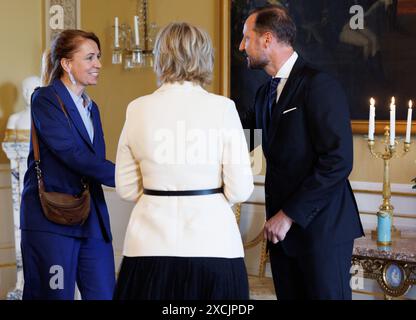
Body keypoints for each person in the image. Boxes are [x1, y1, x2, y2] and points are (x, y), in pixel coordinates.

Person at [113, 22, 254, 300]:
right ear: (204, 56)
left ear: (160, 57)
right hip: (214, 245)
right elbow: (240, 190)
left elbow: (126, 188)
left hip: (148, 246)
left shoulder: (137, 108)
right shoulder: (223, 108)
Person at [239, 5, 364, 299]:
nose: (241, 46)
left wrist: (289, 215)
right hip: (283, 238)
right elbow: (242, 140)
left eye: (246, 37)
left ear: (267, 39)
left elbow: (338, 160)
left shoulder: (319, 85)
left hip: (322, 234)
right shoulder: (263, 94)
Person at [20, 30, 116, 300]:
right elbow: (72, 154)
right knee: (53, 296)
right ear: (66, 63)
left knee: (104, 295)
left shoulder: (92, 107)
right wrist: (126, 175)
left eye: (98, 57)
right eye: (89, 57)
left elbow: (92, 161)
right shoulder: (45, 99)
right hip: (52, 220)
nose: (98, 64)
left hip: (92, 221)